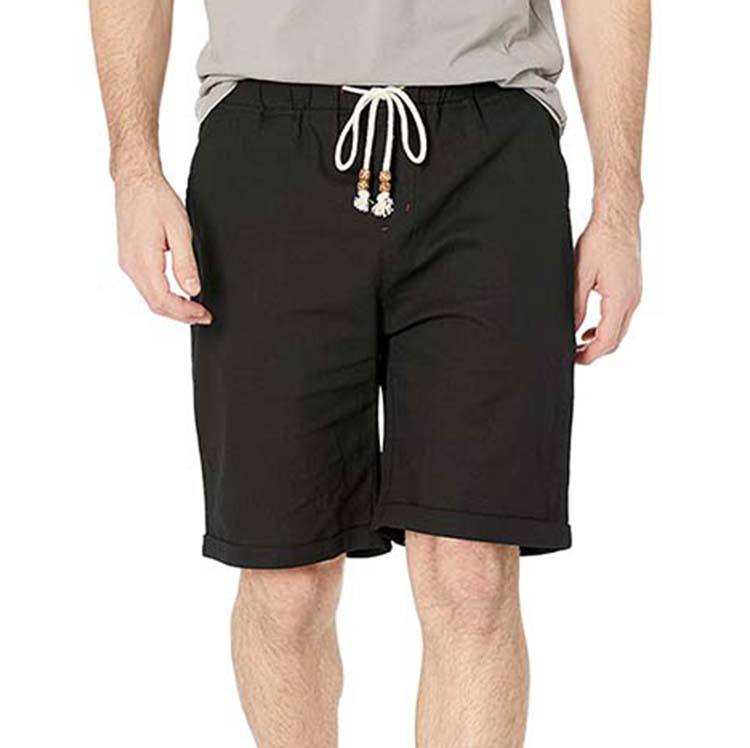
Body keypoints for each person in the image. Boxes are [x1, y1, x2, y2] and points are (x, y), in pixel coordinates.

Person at [90, 0, 649, 744]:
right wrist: (133, 171)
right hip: (265, 142)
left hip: (490, 145)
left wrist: (619, 205)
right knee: (287, 580)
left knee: (472, 578)